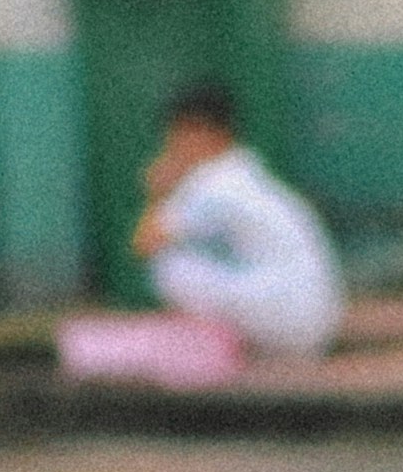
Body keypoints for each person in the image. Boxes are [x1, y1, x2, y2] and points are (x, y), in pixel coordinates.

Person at [133, 79, 343, 363]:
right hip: (311, 323)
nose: (171, 143)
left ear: (198, 131)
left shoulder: (214, 183)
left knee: (170, 268)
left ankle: (221, 354)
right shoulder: (241, 171)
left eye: (177, 132)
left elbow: (145, 243)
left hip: (292, 322)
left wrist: (158, 193)